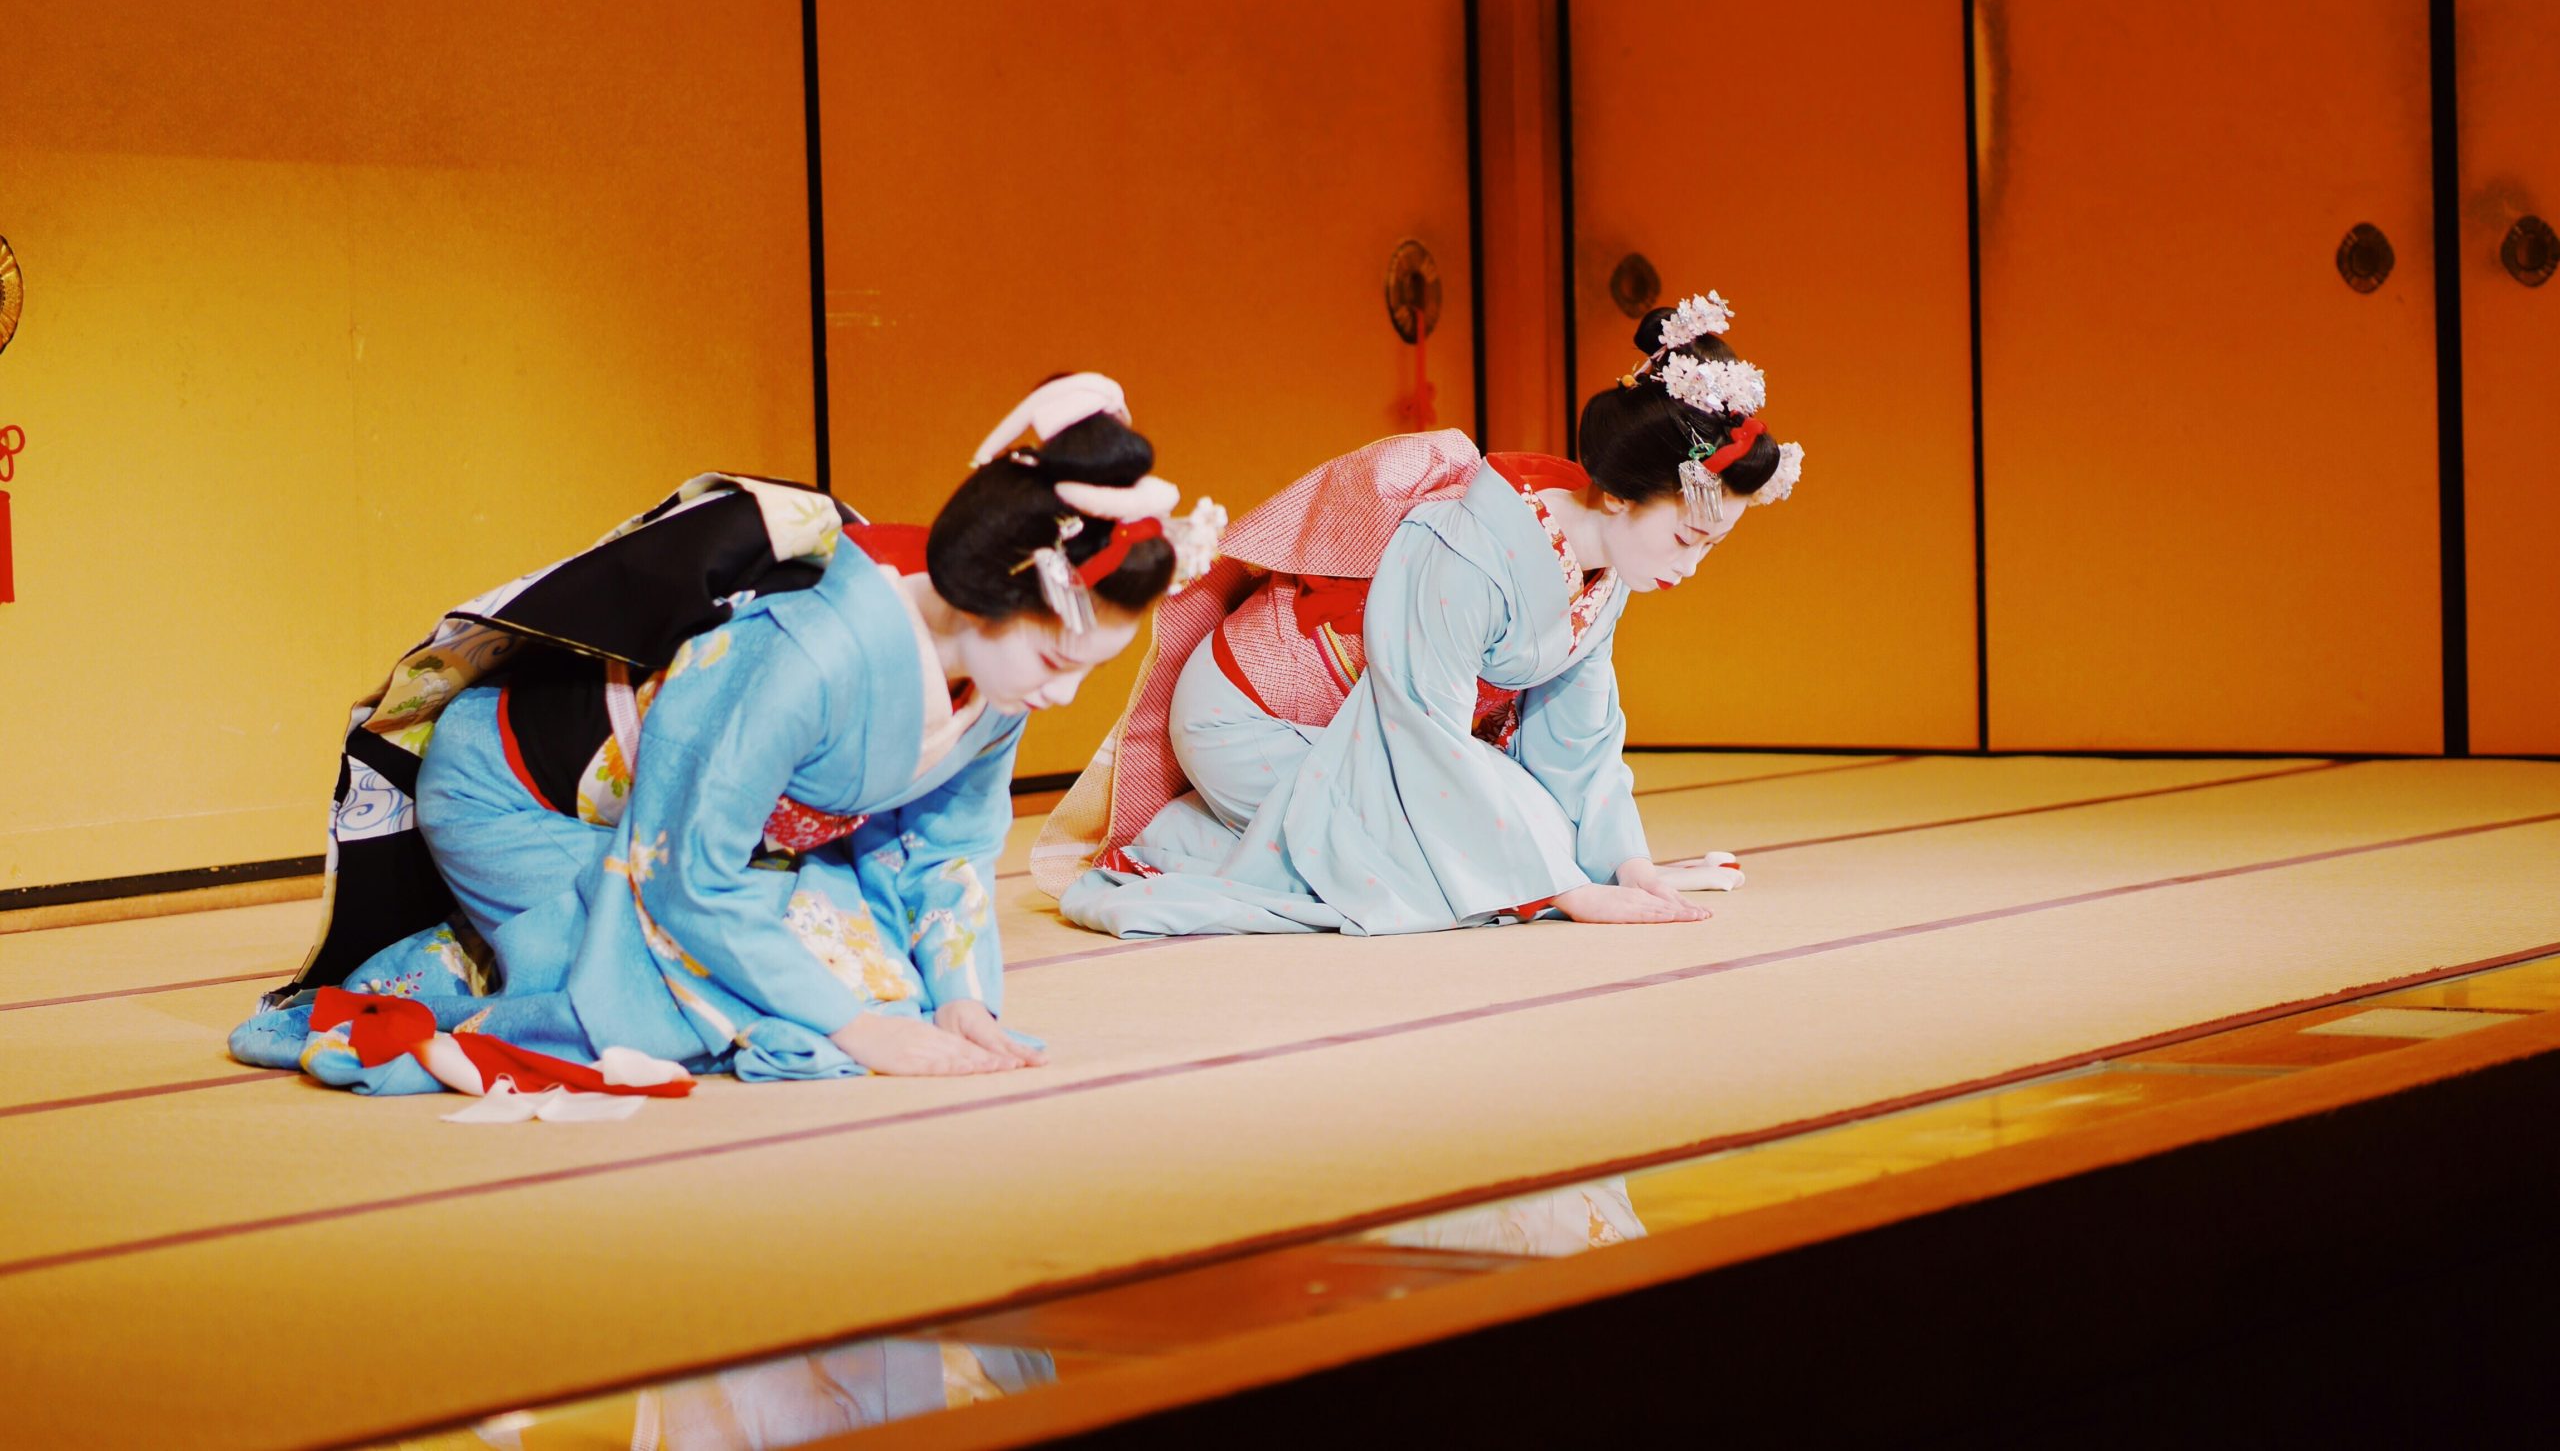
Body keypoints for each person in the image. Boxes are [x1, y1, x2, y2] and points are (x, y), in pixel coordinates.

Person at [233, 376, 1220, 1093]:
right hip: (530, 802)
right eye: (1059, 663)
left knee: (900, 997)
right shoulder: (805, 650)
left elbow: (949, 841)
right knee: (684, 1015)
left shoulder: (1004, 674)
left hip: (718, 830)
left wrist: (961, 995)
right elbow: (684, 876)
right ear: (990, 594)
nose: (1064, 696)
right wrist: (861, 1029)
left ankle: (522, 950)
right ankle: (457, 965)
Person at [1036, 294, 1803, 937]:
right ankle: (1188, 841)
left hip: (1362, 729)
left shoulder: (1608, 563)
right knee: (1418, 872)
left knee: (1523, 825)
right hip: (1251, 719)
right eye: (1684, 536)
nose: (1688, 566)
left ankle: (1273, 833)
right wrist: (1568, 892)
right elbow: (1421, 727)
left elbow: (1580, 734)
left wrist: (1626, 866)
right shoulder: (1463, 545)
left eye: (1709, 547)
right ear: (1619, 496)